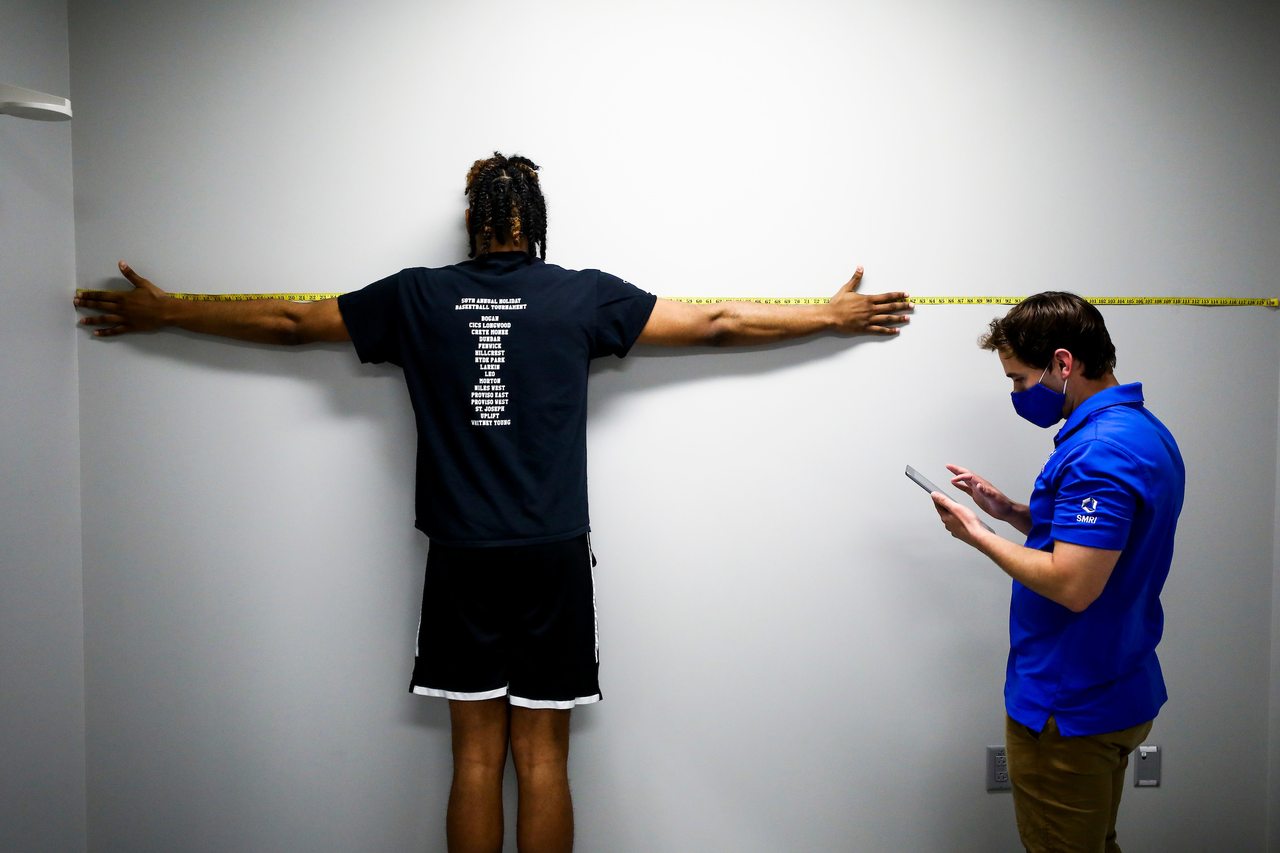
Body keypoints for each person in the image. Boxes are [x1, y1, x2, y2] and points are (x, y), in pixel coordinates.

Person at [73, 152, 912, 853]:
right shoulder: (580, 295)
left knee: (474, 761)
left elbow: (295, 323)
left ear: (473, 220)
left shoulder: (419, 296)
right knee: (543, 759)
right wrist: (829, 316)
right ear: (534, 221)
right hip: (551, 552)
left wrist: (166, 311)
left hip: (462, 554)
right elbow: (723, 322)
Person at [929, 292, 1184, 853]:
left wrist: (978, 535)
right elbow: (1102, 548)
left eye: (1020, 379)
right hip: (1117, 684)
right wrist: (1015, 513)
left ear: (1063, 364)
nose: (1017, 394)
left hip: (1067, 707)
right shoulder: (1141, 431)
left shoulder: (1099, 451)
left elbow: (1073, 583)